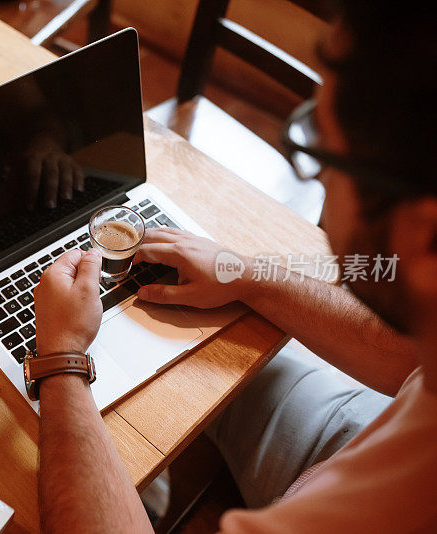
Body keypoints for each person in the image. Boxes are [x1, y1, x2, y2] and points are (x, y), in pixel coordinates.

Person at [32, 1, 437, 532]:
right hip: (366, 422)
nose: (315, 182)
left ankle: (152, 503)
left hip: (329, 470)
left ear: (425, 235)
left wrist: (60, 360)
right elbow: (405, 356)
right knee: (189, 360)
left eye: (322, 148)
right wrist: (247, 274)